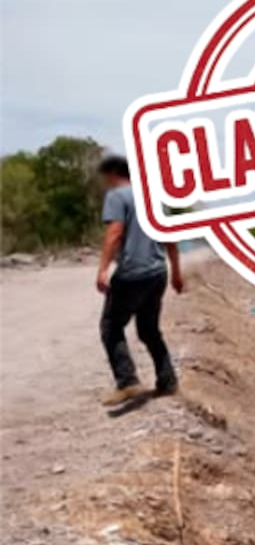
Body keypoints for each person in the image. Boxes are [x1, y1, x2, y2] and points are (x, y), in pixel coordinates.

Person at [96, 154, 184, 404]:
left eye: (105, 177)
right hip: (157, 273)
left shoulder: (116, 196)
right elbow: (170, 236)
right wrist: (176, 272)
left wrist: (103, 269)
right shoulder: (155, 197)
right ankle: (168, 382)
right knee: (149, 330)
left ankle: (127, 382)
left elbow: (114, 232)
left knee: (111, 327)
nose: (105, 183)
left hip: (132, 274)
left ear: (113, 174)